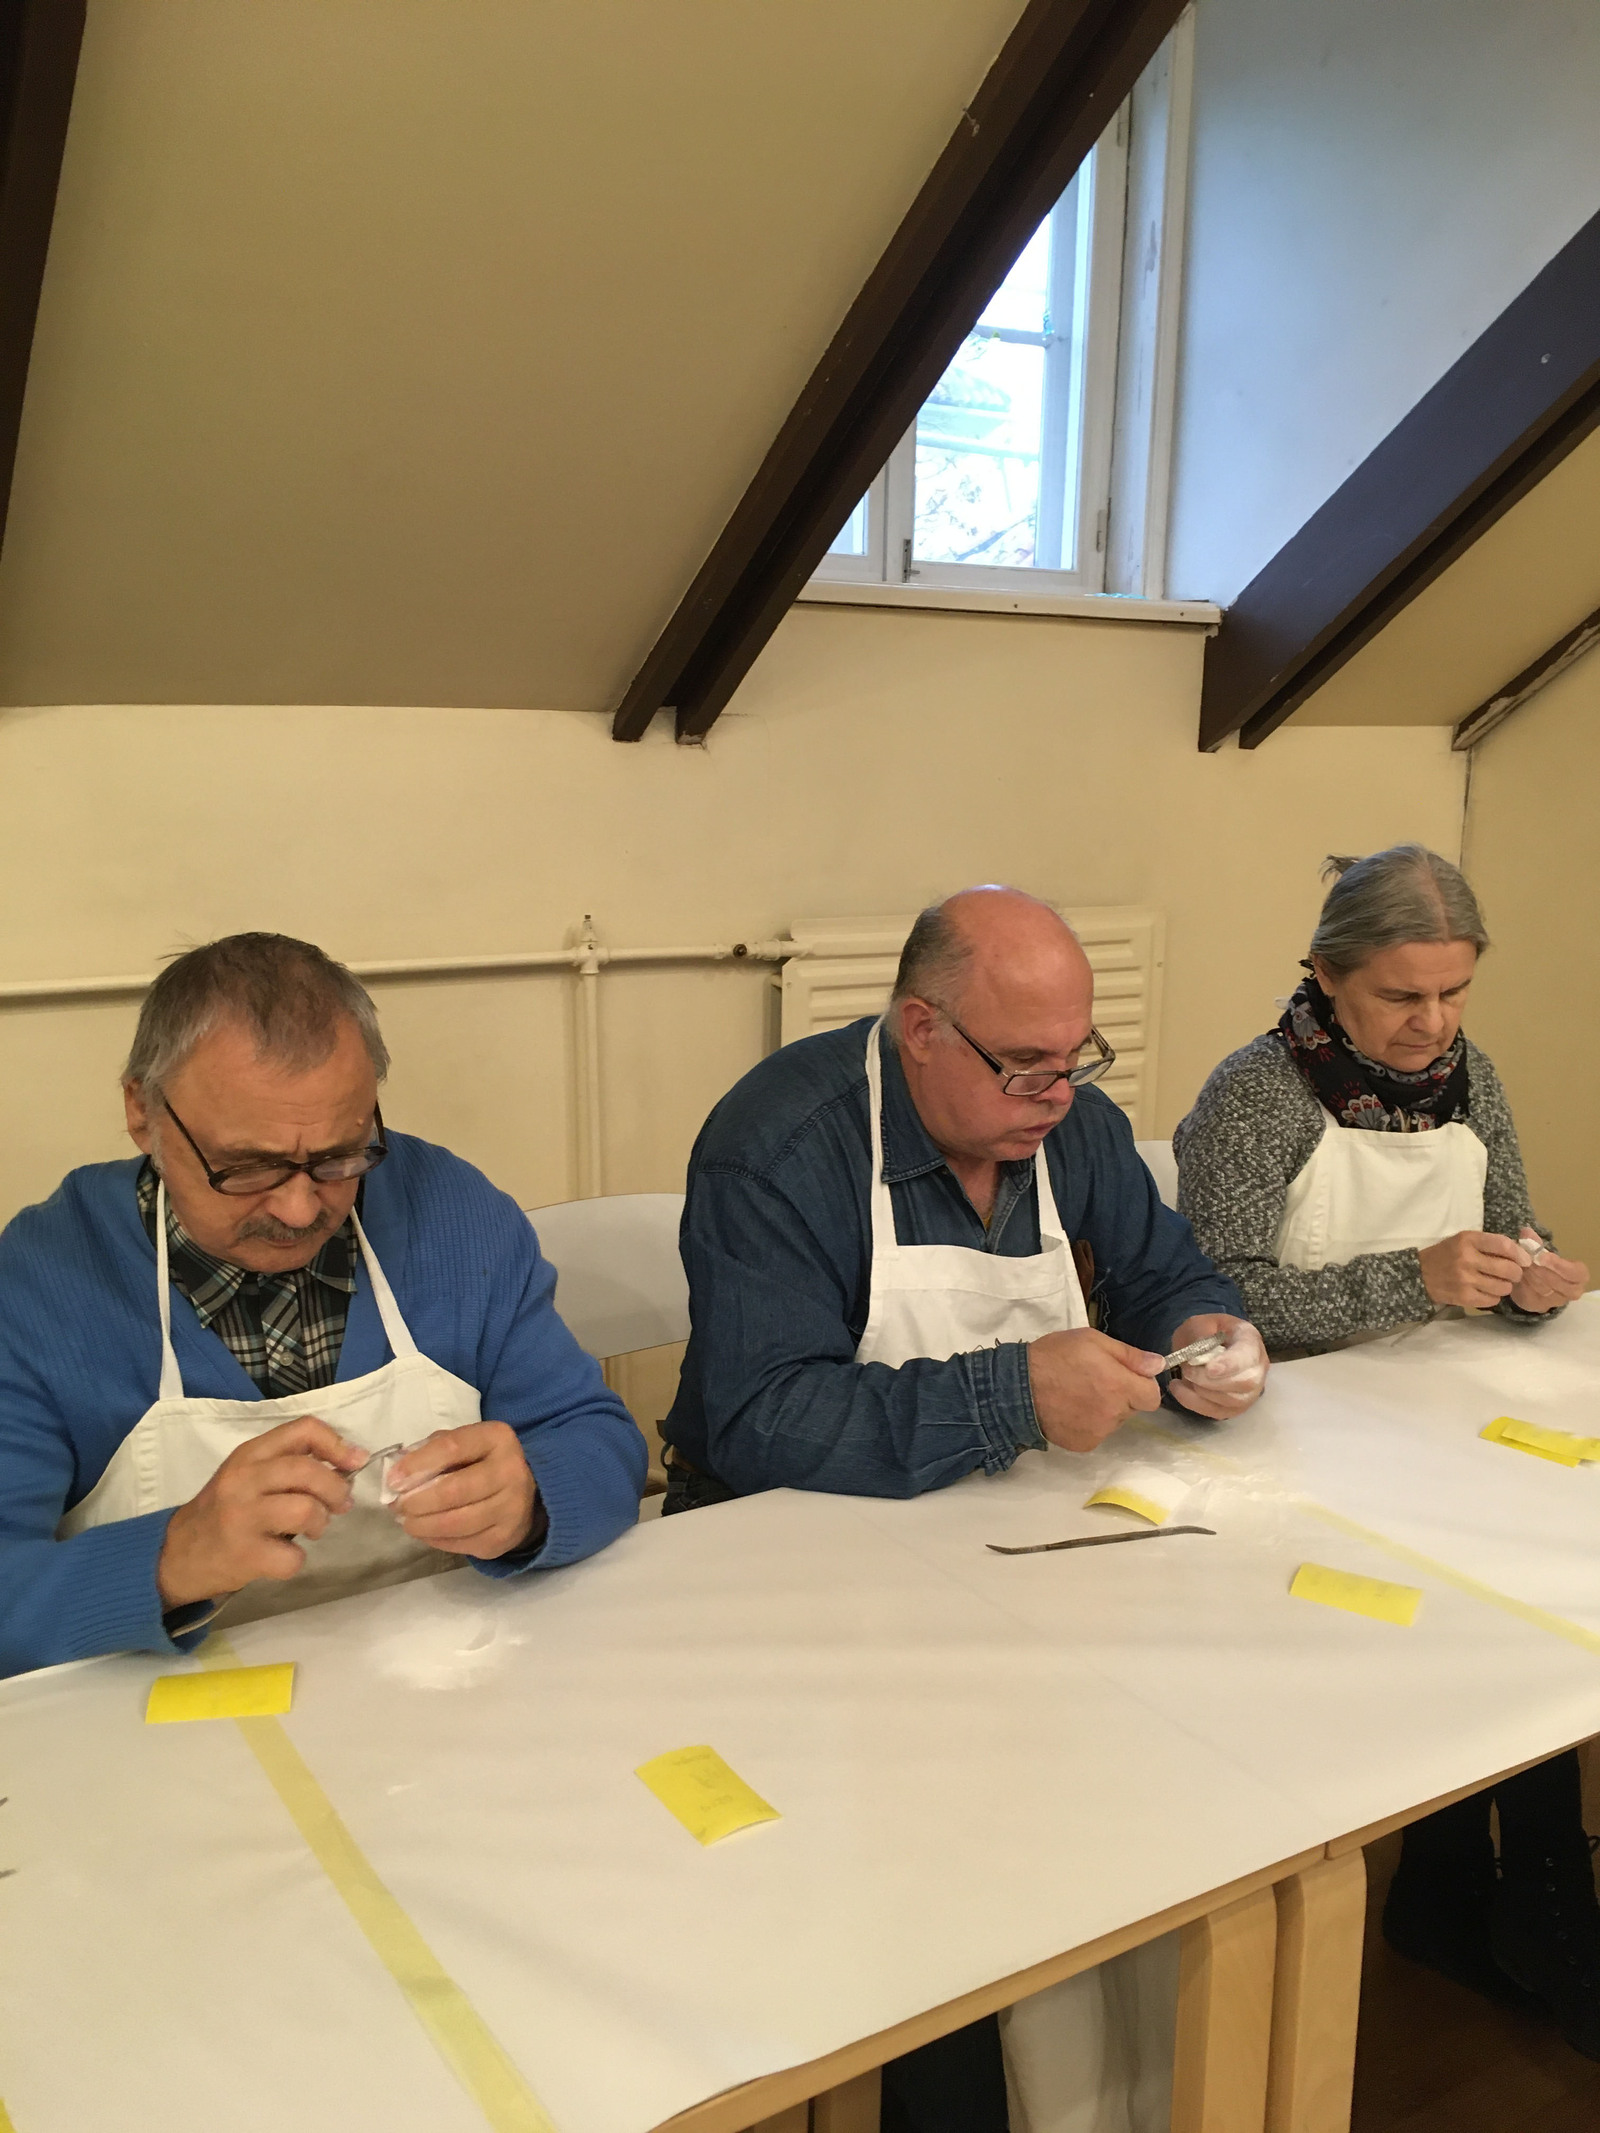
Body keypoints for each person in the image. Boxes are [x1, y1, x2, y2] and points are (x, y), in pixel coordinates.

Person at [663, 886, 1270, 2133]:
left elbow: (1166, 1270)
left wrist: (1208, 1330)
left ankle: (1092, 2068)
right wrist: (1012, 1393)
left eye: (1076, 1060)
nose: (1057, 1098)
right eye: (1025, 1068)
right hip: (785, 1572)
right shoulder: (779, 1145)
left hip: (1001, 1551)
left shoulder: (1070, 1125)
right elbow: (763, 1418)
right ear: (920, 1031)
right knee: (903, 1874)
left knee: (1124, 1790)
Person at [1174, 845, 1598, 2057]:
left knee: (1534, 1593)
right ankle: (1520, 1897)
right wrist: (1412, 1279)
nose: (1432, 1024)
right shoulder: (1256, 1096)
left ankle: (1496, 1886)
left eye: (1454, 992)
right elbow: (1213, 1306)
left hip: (1443, 1409)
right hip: (1293, 1437)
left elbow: (1508, 1227)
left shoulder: (1472, 1078)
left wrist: (1530, 1275)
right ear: (1325, 974)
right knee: (1486, 1603)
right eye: (1399, 996)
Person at [0, 933, 647, 1678]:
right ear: (143, 1114)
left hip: (445, 1680)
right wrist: (171, 1558)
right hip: (160, 1718)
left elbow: (597, 1439)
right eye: (246, 1168)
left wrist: (533, 1499)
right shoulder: (42, 1282)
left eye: (340, 1158)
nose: (301, 1209)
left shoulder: (453, 1214)